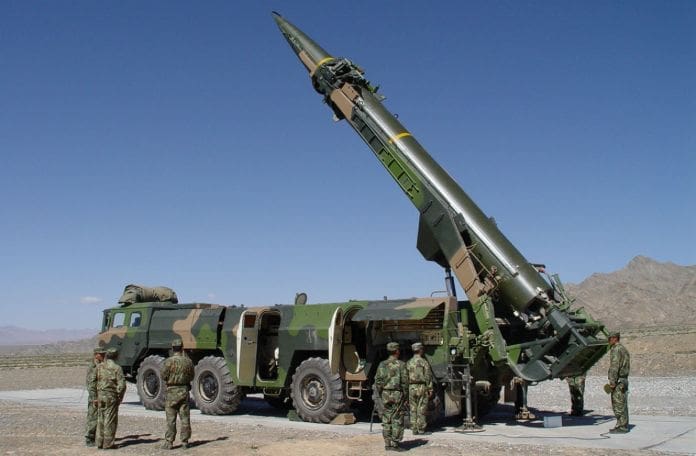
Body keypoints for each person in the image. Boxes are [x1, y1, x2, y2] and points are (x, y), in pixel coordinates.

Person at [374, 342, 409, 452]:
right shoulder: (401, 364)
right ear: (397, 351)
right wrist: (405, 396)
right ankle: (395, 444)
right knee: (397, 418)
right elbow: (405, 382)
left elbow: (378, 381)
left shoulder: (382, 364)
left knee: (386, 418)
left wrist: (382, 392)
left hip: (385, 394)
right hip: (397, 394)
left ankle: (387, 443)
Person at [161, 338, 195, 449]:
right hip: (184, 391)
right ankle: (185, 442)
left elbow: (163, 376)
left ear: (172, 348)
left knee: (171, 419)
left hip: (171, 392)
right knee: (185, 418)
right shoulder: (188, 362)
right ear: (182, 348)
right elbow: (192, 376)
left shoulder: (168, 362)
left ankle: (169, 442)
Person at [91, 347, 126, 449]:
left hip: (100, 396)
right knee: (109, 420)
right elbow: (122, 385)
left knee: (100, 419)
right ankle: (108, 444)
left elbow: (93, 381)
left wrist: (94, 396)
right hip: (111, 396)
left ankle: (99, 442)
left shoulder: (99, 367)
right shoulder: (117, 368)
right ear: (116, 356)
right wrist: (120, 397)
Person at [406, 342, 433, 435]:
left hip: (411, 387)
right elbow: (428, 376)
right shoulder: (424, 362)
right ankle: (421, 429)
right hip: (421, 387)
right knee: (421, 408)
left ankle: (414, 429)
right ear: (420, 350)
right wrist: (430, 388)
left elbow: (405, 377)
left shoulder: (409, 362)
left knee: (413, 409)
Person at [607, 331, 630, 433]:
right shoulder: (623, 349)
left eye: (610, 339)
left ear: (615, 338)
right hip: (623, 380)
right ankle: (622, 425)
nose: (609, 341)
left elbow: (615, 367)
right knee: (622, 403)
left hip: (618, 382)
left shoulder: (616, 349)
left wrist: (612, 382)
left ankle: (622, 426)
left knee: (618, 404)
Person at [85, 347, 105, 446]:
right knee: (92, 418)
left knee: (100, 418)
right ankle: (89, 439)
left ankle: (98, 438)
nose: (103, 356)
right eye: (101, 354)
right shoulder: (93, 366)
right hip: (94, 396)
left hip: (100, 395)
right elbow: (91, 384)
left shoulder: (100, 365)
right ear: (96, 355)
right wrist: (94, 398)